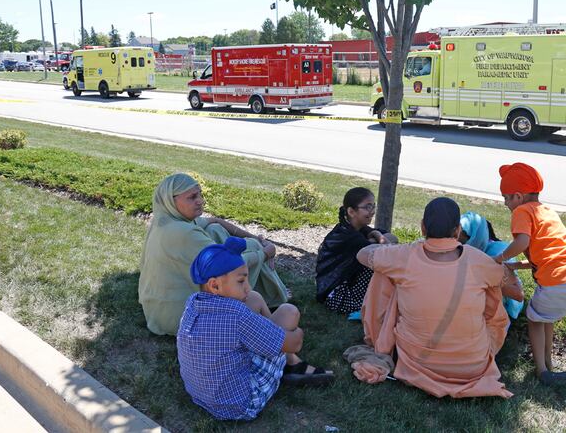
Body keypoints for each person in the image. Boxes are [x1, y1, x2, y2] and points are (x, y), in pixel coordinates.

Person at [356, 197, 513, 399]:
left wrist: (388, 248)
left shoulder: (404, 256)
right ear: (457, 231)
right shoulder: (478, 259)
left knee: (384, 272)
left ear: (422, 227)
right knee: (491, 290)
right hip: (472, 366)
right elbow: (505, 280)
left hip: (418, 362)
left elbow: (363, 254)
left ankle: (379, 338)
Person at [178, 237, 333, 421]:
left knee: (254, 297)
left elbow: (246, 303)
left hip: (200, 395)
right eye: (241, 281)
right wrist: (295, 332)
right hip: (241, 406)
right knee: (289, 313)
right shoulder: (236, 315)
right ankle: (290, 362)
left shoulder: (193, 302)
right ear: (215, 285)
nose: (247, 287)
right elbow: (295, 342)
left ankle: (282, 353)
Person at [139, 173, 289, 335]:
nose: (200, 201)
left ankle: (270, 292)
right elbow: (234, 266)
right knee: (252, 272)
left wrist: (256, 239)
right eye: (192, 197)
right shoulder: (184, 233)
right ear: (171, 201)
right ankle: (275, 335)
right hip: (181, 319)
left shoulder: (166, 221)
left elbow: (215, 221)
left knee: (215, 230)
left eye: (200, 195)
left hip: (158, 310)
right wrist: (265, 252)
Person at [492, 163, 566, 387]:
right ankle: (547, 362)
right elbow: (545, 256)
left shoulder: (521, 211)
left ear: (518, 196)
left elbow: (522, 242)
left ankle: (541, 371)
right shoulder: (546, 211)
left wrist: (500, 259)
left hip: (561, 281)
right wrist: (514, 266)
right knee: (546, 317)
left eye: (506, 198)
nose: (505, 203)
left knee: (533, 319)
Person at [316, 187, 397, 315]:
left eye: (373, 206)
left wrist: (375, 235)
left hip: (344, 288)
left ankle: (383, 300)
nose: (372, 211)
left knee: (378, 259)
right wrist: (376, 236)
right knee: (379, 263)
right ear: (351, 211)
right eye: (368, 207)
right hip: (336, 296)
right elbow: (386, 249)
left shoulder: (359, 228)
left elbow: (393, 238)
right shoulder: (348, 236)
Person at [459, 211, 525, 323]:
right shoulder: (478, 249)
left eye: (462, 239)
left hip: (504, 309)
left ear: (476, 236)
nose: (458, 244)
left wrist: (480, 279)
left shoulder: (498, 253)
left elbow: (518, 294)